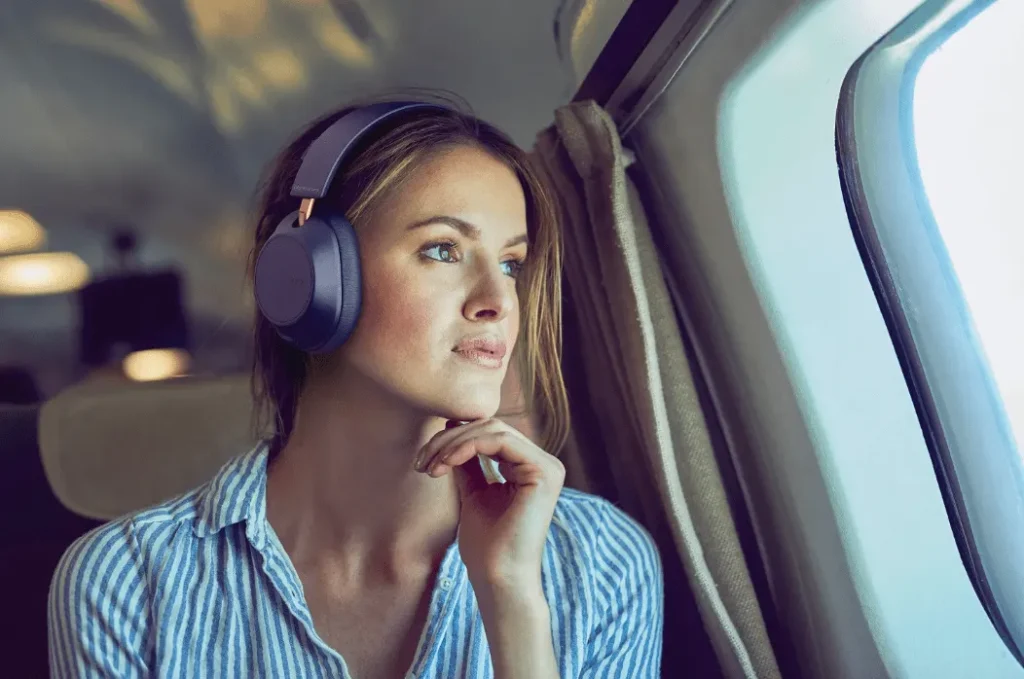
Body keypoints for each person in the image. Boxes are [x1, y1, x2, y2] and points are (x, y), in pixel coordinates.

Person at [47, 94, 664, 678]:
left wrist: (513, 605)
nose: (498, 300)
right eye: (443, 250)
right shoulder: (125, 582)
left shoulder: (602, 563)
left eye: (511, 264)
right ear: (309, 277)